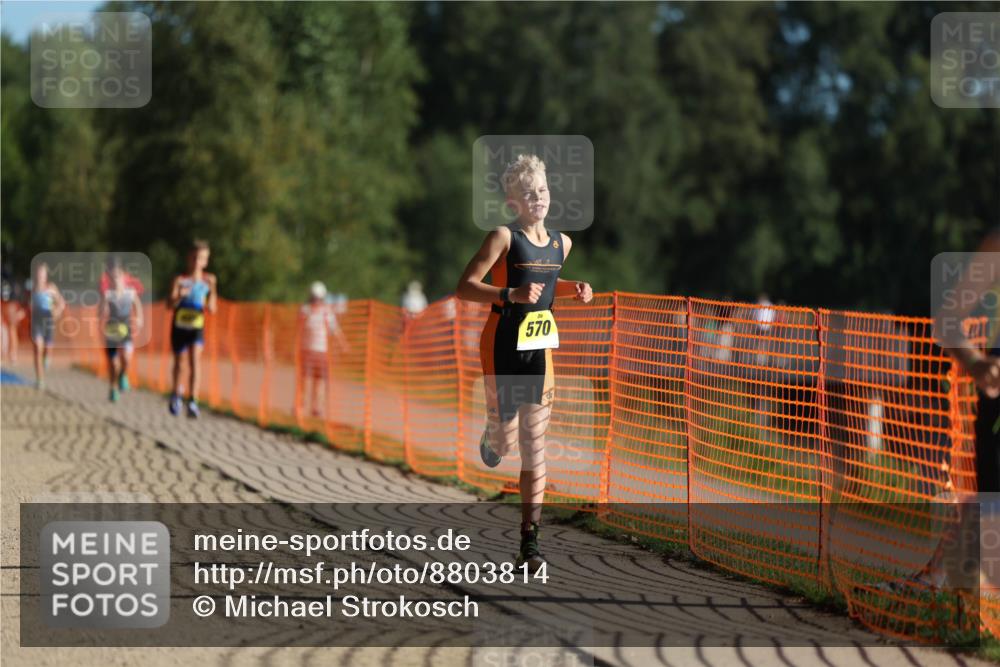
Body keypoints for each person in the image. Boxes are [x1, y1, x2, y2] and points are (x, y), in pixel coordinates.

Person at [456, 153, 593, 572]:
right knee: (506, 445)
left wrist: (577, 289)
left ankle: (530, 542)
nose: (538, 199)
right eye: (528, 193)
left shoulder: (561, 244)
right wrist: (507, 295)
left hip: (540, 349)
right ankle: (493, 436)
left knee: (535, 446)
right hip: (501, 342)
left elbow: (548, 286)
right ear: (513, 202)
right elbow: (464, 287)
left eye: (544, 191)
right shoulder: (502, 237)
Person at [168, 240, 217, 418]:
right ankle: (176, 395)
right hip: (179, 325)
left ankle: (193, 401)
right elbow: (169, 304)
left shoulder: (208, 280)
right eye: (195, 257)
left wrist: (212, 291)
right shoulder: (180, 280)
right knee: (180, 363)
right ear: (189, 258)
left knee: (195, 362)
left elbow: (212, 308)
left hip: (197, 326)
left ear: (206, 261)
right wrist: (179, 296)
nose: (197, 261)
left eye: (202, 258)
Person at [298, 281, 349, 418]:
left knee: (319, 381)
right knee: (305, 380)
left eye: (318, 297)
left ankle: (316, 408)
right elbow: (299, 328)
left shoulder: (327, 312)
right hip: (306, 350)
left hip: (321, 351)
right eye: (314, 297)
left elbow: (335, 330)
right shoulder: (305, 310)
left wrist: (343, 344)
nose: (316, 300)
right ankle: (301, 405)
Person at [101, 260, 143, 402]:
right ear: (109, 279)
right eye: (112, 277)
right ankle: (113, 388)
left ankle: (123, 376)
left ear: (123, 276)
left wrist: (139, 319)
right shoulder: (108, 295)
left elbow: (137, 305)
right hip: (111, 331)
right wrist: (103, 310)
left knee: (126, 359)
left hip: (126, 331)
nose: (115, 279)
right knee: (113, 363)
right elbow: (101, 312)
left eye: (118, 276)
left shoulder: (130, 292)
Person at [29, 263, 65, 389]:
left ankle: (47, 358)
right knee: (37, 349)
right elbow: (30, 305)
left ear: (46, 275)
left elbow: (61, 303)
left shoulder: (51, 288)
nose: (40, 276)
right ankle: (40, 380)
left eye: (42, 273)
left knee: (47, 349)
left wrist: (57, 312)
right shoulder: (32, 288)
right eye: (38, 273)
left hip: (48, 321)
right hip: (36, 322)